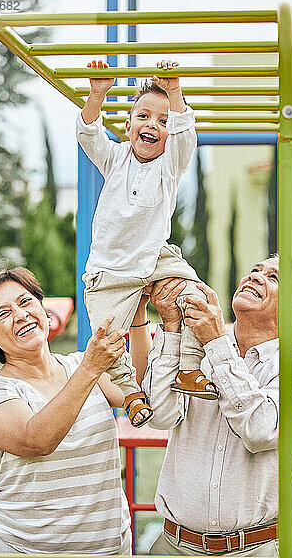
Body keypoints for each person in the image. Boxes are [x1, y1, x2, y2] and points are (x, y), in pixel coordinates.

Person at [143, 256, 292, 557]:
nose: (255, 276)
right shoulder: (195, 350)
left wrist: (217, 340)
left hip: (255, 549)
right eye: (254, 270)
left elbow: (260, 429)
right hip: (173, 546)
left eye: (274, 277)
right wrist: (171, 326)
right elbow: (160, 416)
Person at [76, 59, 217, 428]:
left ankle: (188, 368)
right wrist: (96, 95)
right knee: (106, 334)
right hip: (110, 268)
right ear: (128, 126)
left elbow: (187, 135)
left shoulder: (171, 166)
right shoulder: (115, 156)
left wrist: (174, 90)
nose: (152, 125)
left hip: (155, 256)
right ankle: (131, 391)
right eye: (144, 116)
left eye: (163, 121)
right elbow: (88, 132)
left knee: (196, 296)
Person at [0, 266, 151, 555]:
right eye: (3, 313)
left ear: (42, 309)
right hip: (24, 550)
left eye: (25, 302)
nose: (21, 314)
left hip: (108, 549)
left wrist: (137, 316)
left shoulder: (80, 365)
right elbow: (35, 440)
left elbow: (137, 387)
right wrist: (90, 368)